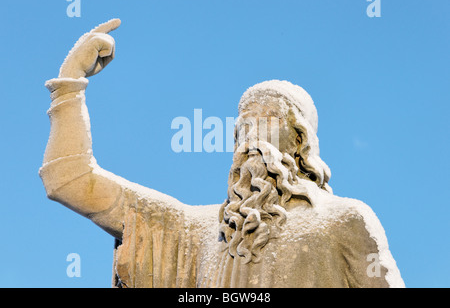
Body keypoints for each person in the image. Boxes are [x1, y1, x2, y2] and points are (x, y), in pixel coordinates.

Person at [40, 19, 404, 288]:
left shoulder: (344, 221)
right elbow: (71, 181)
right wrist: (70, 86)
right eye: (243, 125)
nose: (251, 133)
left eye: (267, 120)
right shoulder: (194, 231)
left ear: (298, 140)